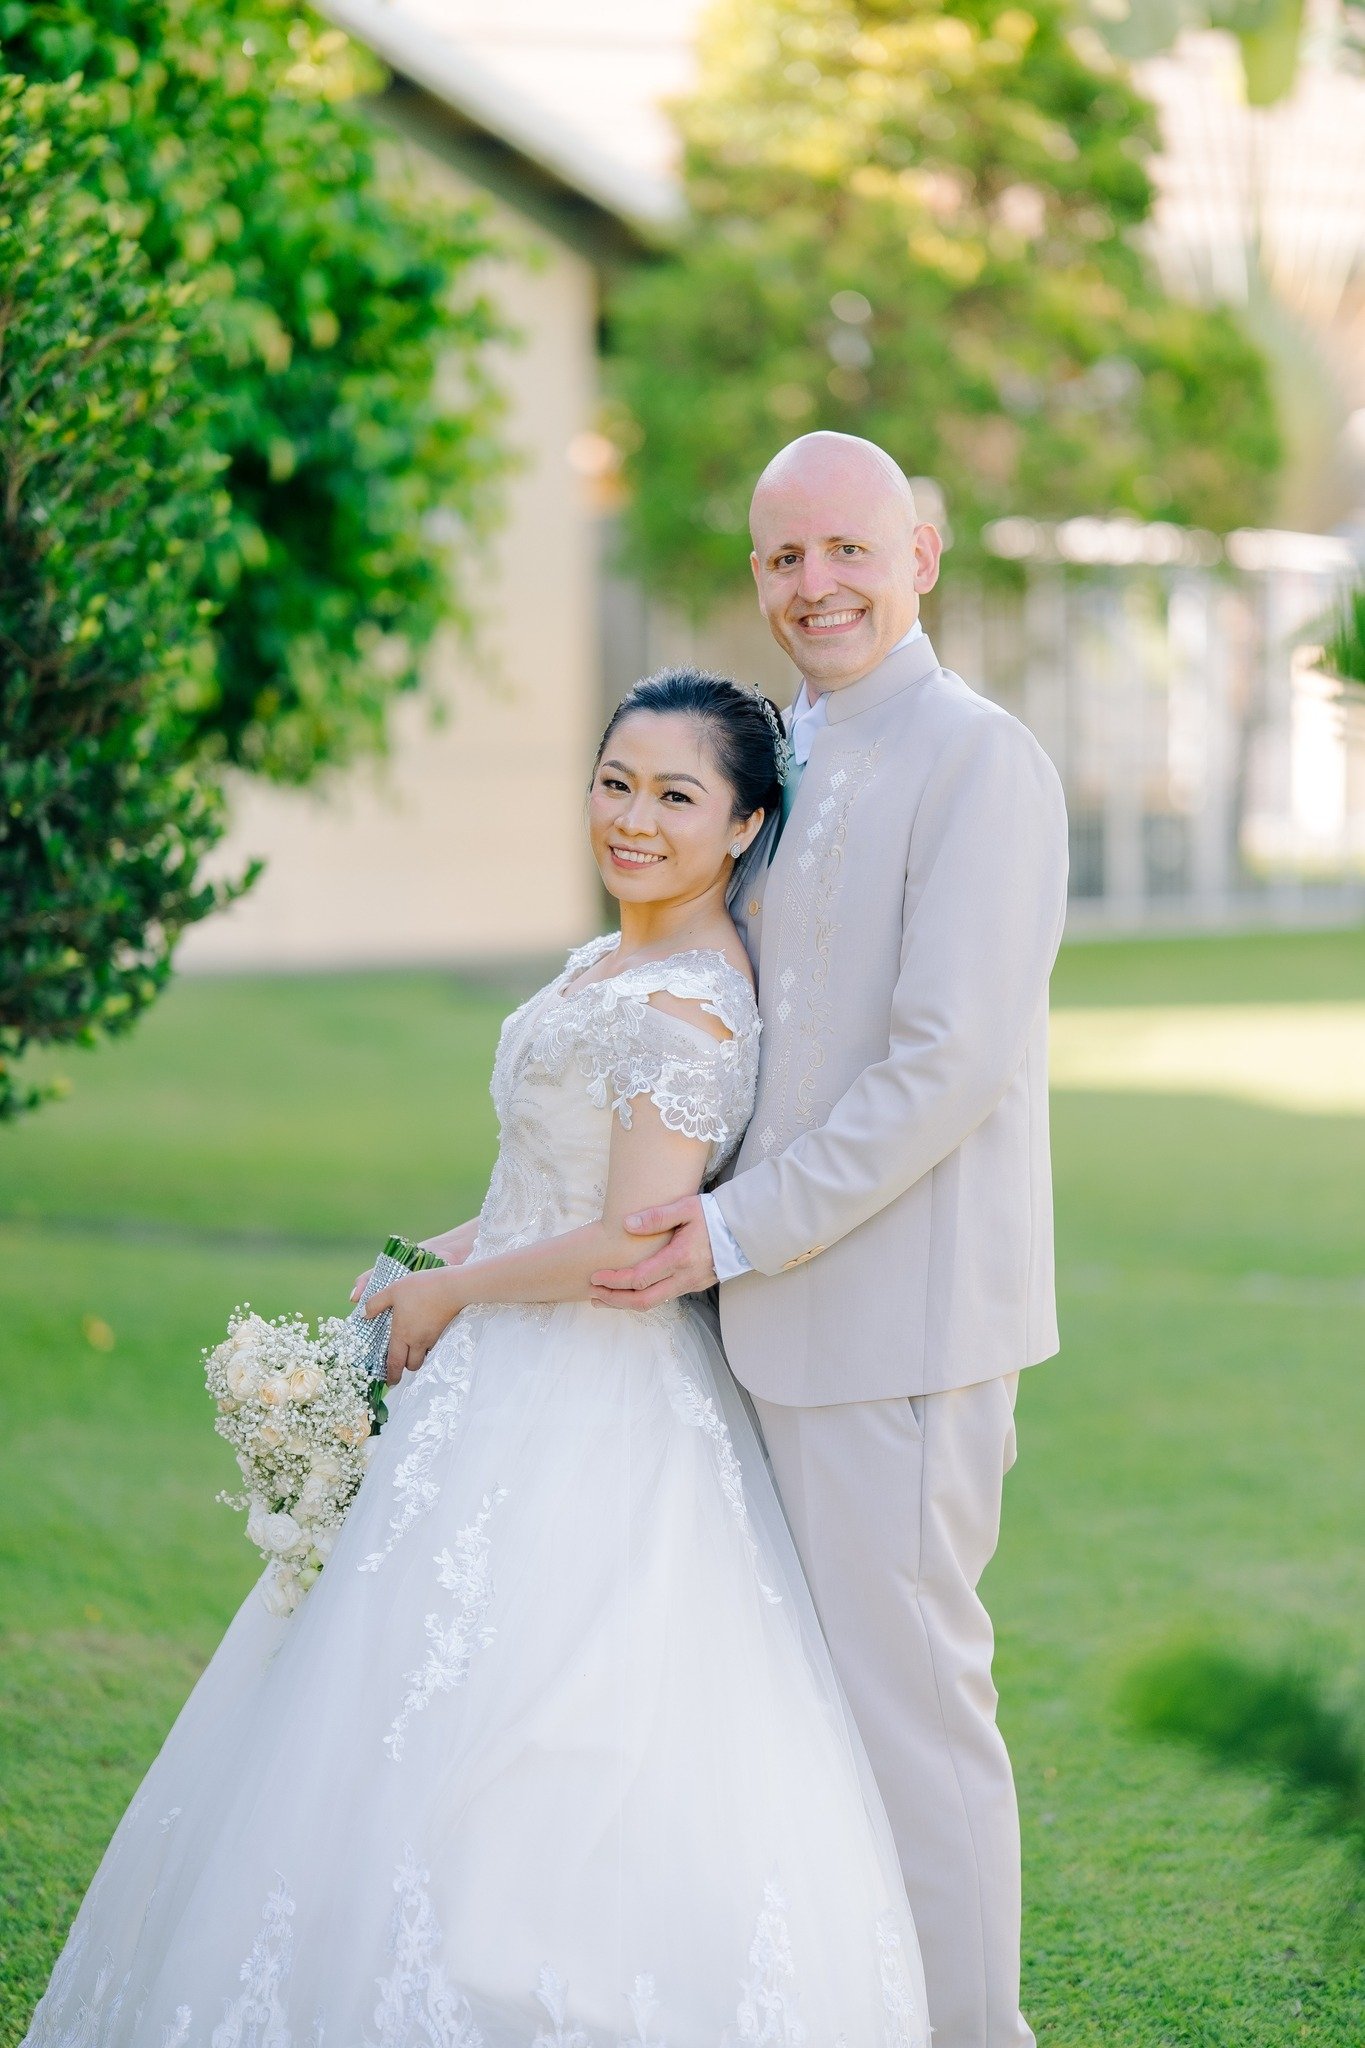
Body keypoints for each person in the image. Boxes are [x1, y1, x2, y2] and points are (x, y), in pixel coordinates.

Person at [21, 672, 927, 2048]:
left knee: (533, 1738)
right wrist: (426, 1263)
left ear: (743, 826)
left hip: (593, 1402)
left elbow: (628, 1249)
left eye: (677, 796)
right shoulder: (606, 962)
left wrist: (454, 1296)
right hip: (510, 1350)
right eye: (615, 782)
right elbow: (540, 1197)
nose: (633, 817)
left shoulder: (688, 1005)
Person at [591, 434, 1070, 2048]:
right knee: (795, 1722)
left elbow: (947, 1064)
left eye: (849, 550)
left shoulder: (977, 758)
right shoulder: (784, 756)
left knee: (913, 1721)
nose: (817, 585)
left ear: (920, 554)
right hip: (750, 1320)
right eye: (784, 558)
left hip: (898, 1332)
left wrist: (730, 1229)